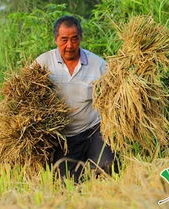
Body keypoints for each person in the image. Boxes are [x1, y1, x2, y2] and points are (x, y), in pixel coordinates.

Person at [35, 15, 116, 183]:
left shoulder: (98, 64)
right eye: (64, 40)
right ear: (55, 39)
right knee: (67, 184)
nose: (70, 45)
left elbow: (113, 95)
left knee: (106, 167)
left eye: (74, 39)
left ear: (81, 38)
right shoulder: (43, 63)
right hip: (63, 137)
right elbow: (26, 92)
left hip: (94, 130)